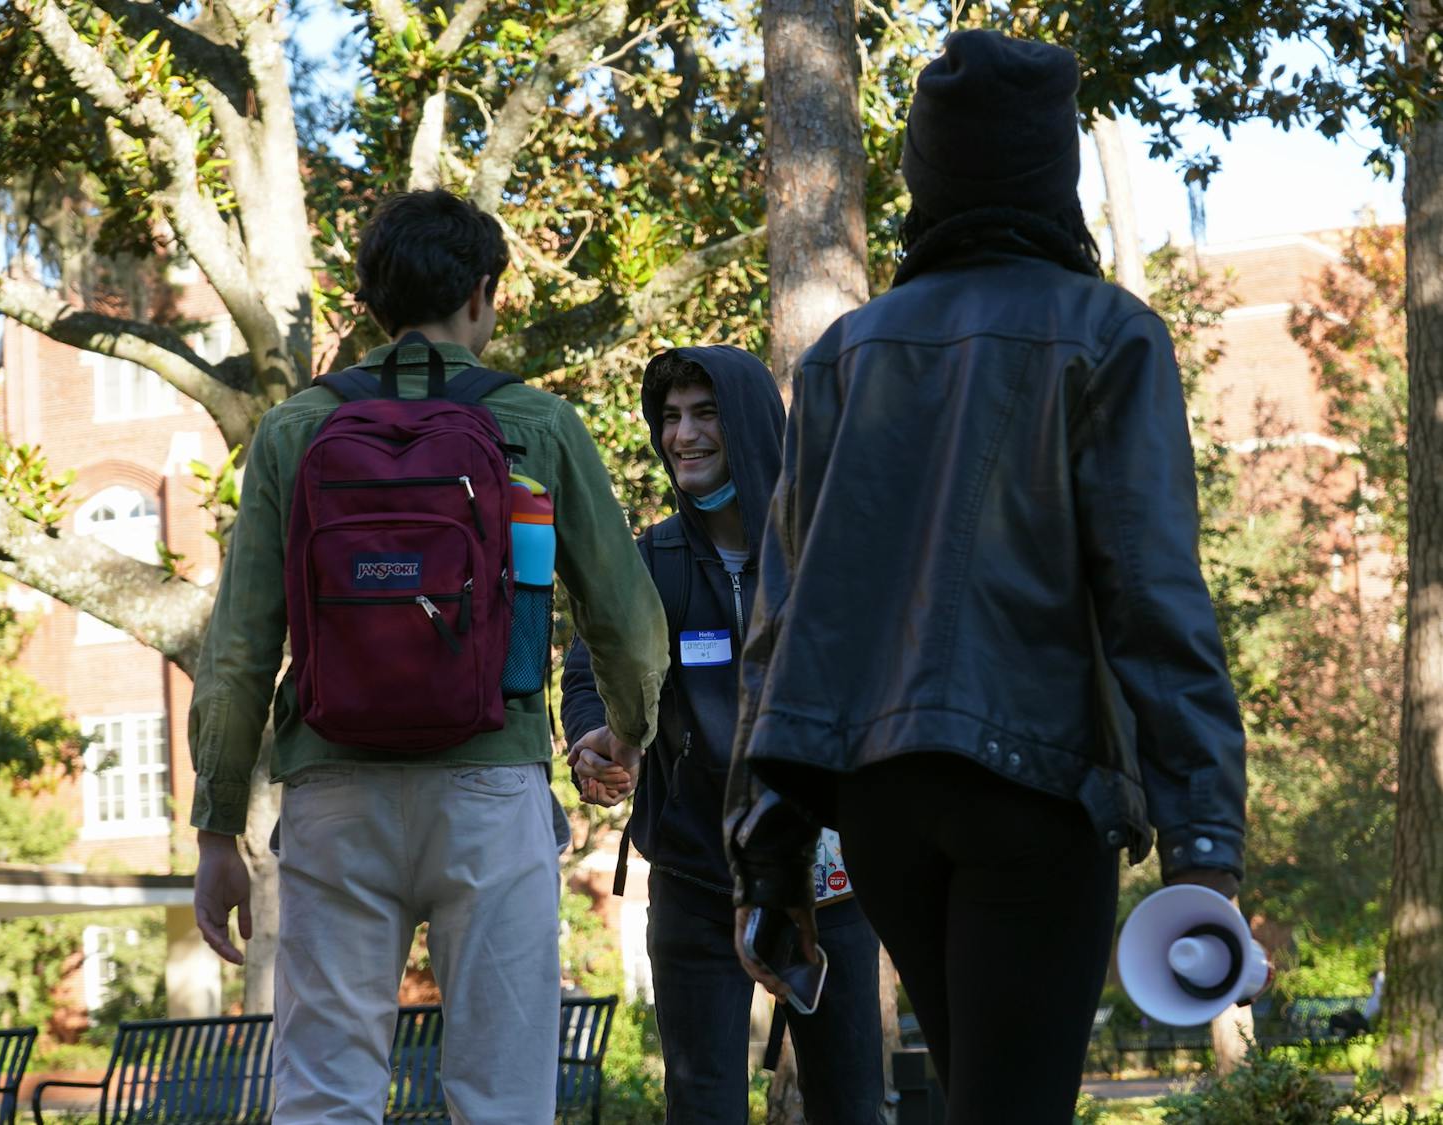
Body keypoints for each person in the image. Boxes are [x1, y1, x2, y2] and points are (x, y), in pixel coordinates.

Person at [723, 30, 1248, 1124]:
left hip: (879, 801)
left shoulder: (845, 357)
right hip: (1033, 785)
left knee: (978, 1094)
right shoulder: (1107, 335)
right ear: (1052, 171)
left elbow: (781, 618)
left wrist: (766, 849)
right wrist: (1203, 840)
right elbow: (1153, 594)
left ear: (926, 175)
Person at [188, 189, 668, 1124]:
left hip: (333, 794)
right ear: (484, 296)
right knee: (501, 1096)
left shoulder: (295, 430)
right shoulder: (539, 424)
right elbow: (627, 620)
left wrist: (217, 828)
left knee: (325, 1095)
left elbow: (241, 645)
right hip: (491, 786)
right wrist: (629, 731)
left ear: (368, 303)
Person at [560, 347, 885, 1125]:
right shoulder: (651, 560)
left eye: (705, 413)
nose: (684, 435)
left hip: (829, 880)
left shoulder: (827, 552)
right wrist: (591, 741)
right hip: (695, 878)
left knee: (851, 1105)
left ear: (745, 420)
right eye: (670, 417)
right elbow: (586, 674)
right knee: (702, 1105)